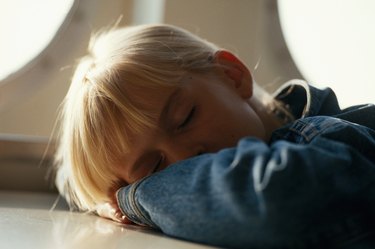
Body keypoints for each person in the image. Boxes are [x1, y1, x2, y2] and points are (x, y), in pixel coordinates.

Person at [54, 24, 375, 248]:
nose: (185, 158)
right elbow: (69, 178)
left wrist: (134, 197)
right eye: (154, 167)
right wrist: (103, 198)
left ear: (231, 75)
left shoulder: (333, 136)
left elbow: (276, 201)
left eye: (185, 119)